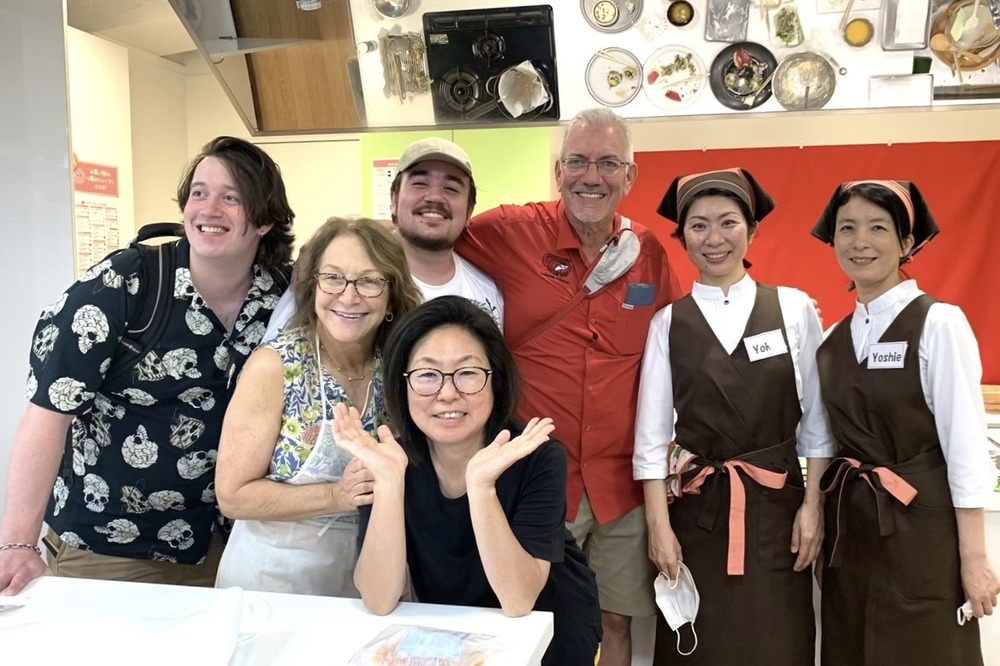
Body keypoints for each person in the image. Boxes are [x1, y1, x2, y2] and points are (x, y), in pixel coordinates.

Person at [0, 136, 295, 594]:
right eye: (199, 192)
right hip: (108, 547)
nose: (209, 208)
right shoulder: (124, 286)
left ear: (266, 220)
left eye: (231, 197)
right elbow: (47, 413)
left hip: (226, 545)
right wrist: (17, 543)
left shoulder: (281, 297)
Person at [455, 107, 683, 665]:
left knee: (618, 619)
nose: (592, 176)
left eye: (608, 163)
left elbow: (682, 343)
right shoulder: (507, 231)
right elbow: (421, 242)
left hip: (620, 485)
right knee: (533, 618)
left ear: (630, 177)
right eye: (578, 161)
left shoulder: (648, 252)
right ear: (558, 171)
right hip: (537, 480)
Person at [333, 295, 602, 665]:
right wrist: (389, 484)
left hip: (546, 632)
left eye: (468, 373)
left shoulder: (536, 455)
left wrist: (481, 487)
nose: (447, 393)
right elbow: (379, 600)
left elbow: (518, 599)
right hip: (455, 633)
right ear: (403, 384)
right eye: (427, 374)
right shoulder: (390, 459)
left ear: (496, 380)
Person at [633, 168, 834, 663]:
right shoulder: (668, 323)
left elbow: (818, 423)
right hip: (699, 514)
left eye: (728, 222)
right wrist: (660, 528)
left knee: (777, 641)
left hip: (778, 510)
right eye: (698, 226)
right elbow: (651, 438)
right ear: (681, 237)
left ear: (752, 230)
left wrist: (813, 506)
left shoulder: (792, 308)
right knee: (698, 645)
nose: (714, 238)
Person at [810, 180, 999, 665]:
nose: (860, 242)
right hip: (851, 529)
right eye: (847, 229)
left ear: (907, 243)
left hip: (923, 530)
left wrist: (974, 557)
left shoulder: (939, 323)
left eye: (878, 228)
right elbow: (824, 442)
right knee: (852, 644)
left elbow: (966, 448)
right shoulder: (832, 339)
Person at [214, 217, 422, 596]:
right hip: (274, 581)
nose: (349, 296)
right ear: (312, 287)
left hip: (371, 574)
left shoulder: (400, 366)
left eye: (370, 280)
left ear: (392, 294)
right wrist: (336, 496)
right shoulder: (275, 366)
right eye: (333, 277)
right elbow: (232, 494)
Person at [263, 137, 503, 339]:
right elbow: (275, 353)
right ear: (394, 200)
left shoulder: (487, 291)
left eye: (451, 188)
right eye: (420, 183)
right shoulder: (338, 277)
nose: (434, 197)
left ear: (469, 210)